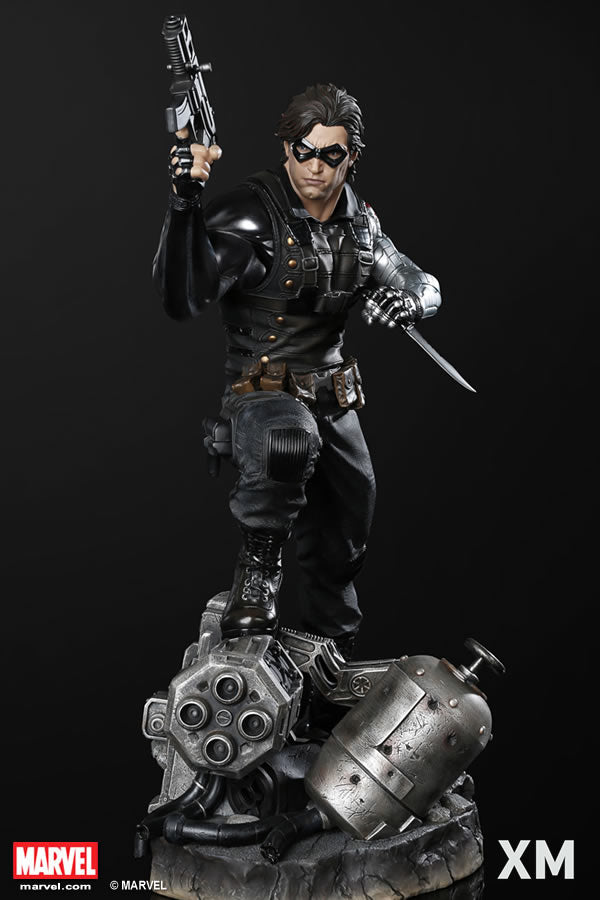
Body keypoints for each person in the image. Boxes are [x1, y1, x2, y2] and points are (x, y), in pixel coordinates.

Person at [153, 83, 441, 659]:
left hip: (334, 399)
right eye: (304, 151)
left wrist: (408, 301)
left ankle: (329, 649)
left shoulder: (361, 225)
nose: (315, 167)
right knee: (287, 442)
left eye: (331, 154)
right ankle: (256, 579)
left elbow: (419, 280)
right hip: (263, 393)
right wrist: (185, 201)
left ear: (351, 156)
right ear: (287, 148)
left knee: (349, 522)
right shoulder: (252, 213)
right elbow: (184, 296)